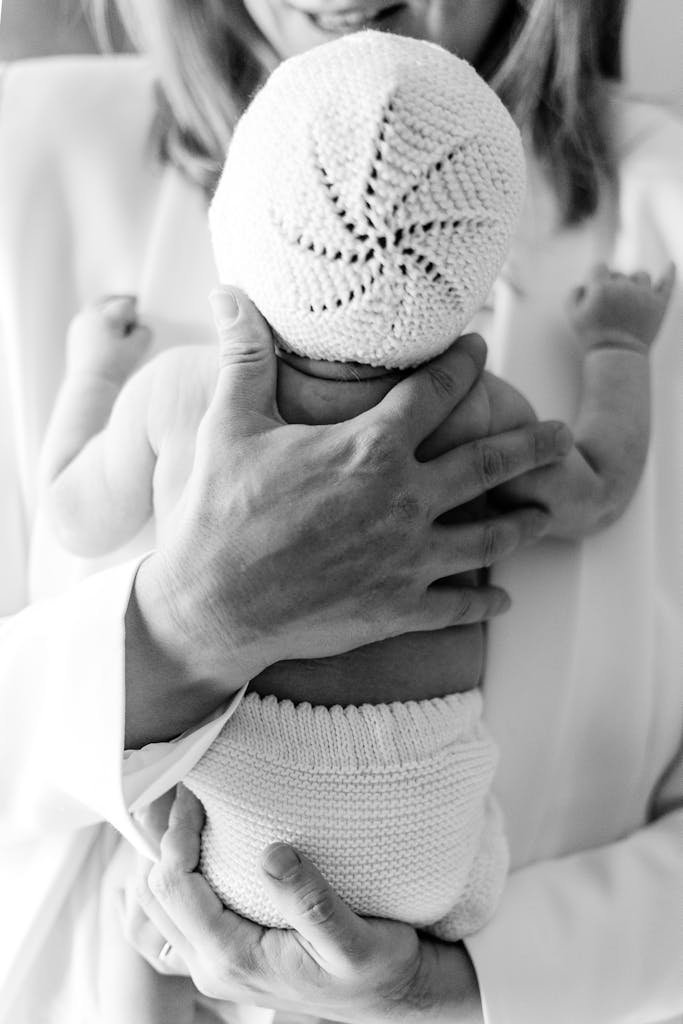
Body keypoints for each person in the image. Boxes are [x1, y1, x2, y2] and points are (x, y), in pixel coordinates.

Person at [0, 0, 680, 1022]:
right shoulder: (23, 149)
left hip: (246, 868)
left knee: (146, 895)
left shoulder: (173, 390)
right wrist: (187, 624)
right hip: (427, 857)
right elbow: (593, 487)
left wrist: (465, 989)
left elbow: (72, 510)